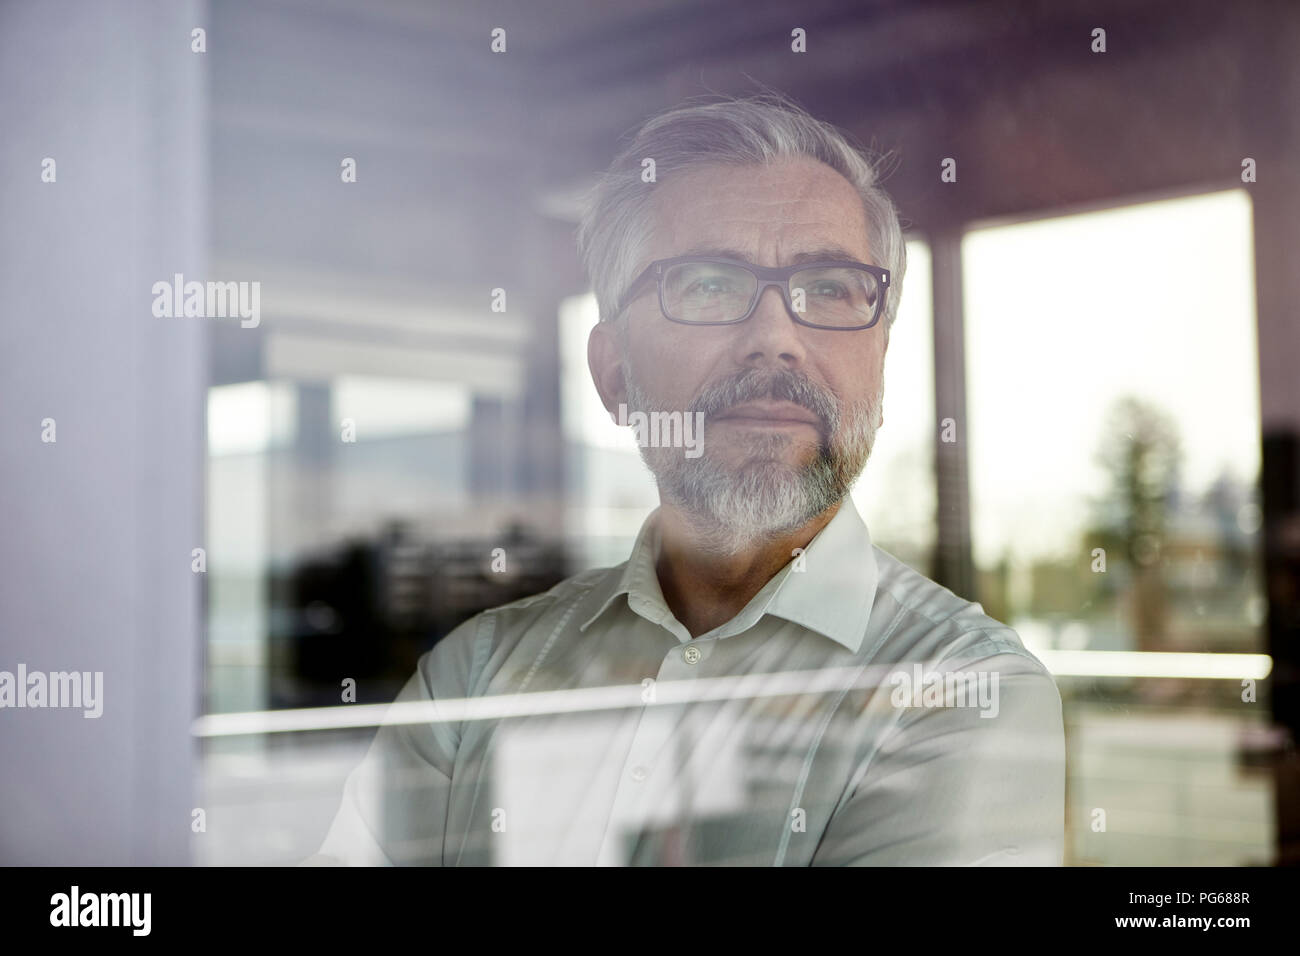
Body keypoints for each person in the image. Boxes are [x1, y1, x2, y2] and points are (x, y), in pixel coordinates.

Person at [310, 93, 1064, 866]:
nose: (776, 340)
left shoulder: (965, 688)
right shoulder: (475, 675)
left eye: (831, 288)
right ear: (613, 375)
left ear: (878, 360)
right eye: (708, 285)